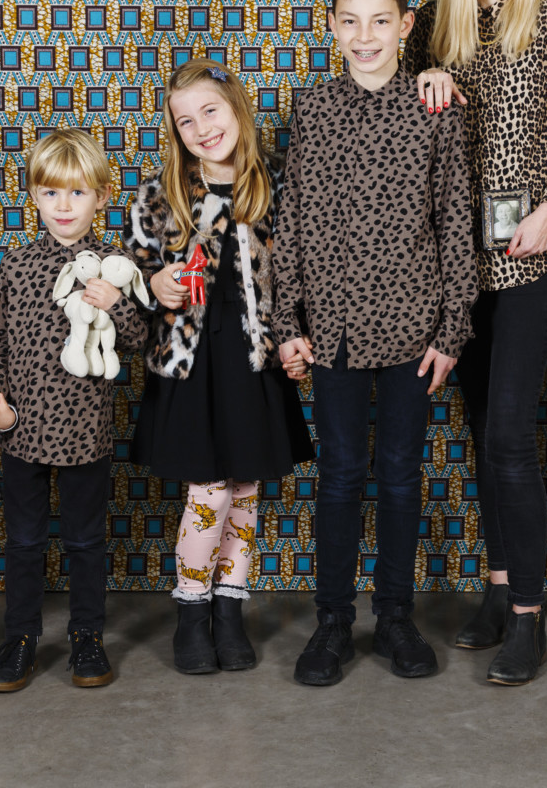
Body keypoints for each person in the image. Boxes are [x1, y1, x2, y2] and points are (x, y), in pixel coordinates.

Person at [275, 0, 478, 686]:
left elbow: (456, 222)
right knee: (339, 477)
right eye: (351, 22)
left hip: (411, 332)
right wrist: (286, 320)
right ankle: (332, 620)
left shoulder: (435, 109)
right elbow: (291, 222)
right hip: (331, 330)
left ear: (405, 25)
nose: (366, 37)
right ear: (332, 26)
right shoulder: (313, 110)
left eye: (380, 22)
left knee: (399, 474)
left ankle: (395, 616)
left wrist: (452, 330)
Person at [398, 0, 547, 684]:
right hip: (454, 269)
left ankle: (530, 618)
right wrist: (419, 83)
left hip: (528, 262)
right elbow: (393, 124)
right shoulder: (430, 29)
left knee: (510, 433)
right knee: (480, 432)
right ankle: (500, 588)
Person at [126, 59, 313, 675]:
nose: (202, 128)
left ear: (237, 109)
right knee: (207, 490)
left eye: (210, 110)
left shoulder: (278, 186)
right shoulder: (160, 197)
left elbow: (299, 277)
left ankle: (230, 609)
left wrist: (296, 340)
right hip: (192, 366)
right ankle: (192, 609)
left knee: (245, 488)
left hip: (253, 359)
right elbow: (131, 278)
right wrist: (155, 285)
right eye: (186, 121)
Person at [0, 128, 147, 691]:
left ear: (101, 196)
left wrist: (117, 306)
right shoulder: (17, 266)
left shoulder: (114, 266)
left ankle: (86, 635)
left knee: (85, 540)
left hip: (85, 431)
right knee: (23, 540)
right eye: (50, 193)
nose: (63, 206)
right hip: (21, 430)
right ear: (34, 196)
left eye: (76, 193)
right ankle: (20, 636)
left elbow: (141, 341)